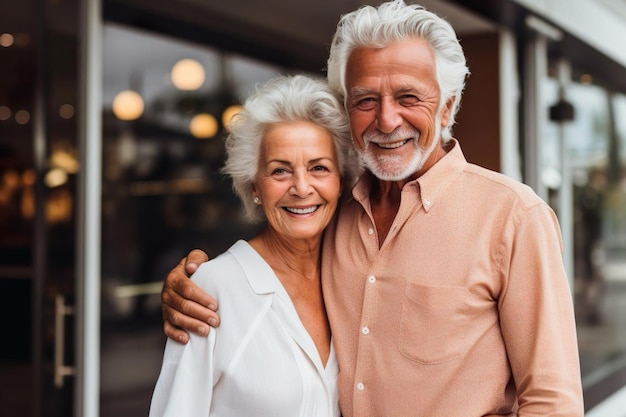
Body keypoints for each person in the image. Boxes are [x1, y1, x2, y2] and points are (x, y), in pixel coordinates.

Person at [160, 1, 585, 416]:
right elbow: (270, 266)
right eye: (365, 100)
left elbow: (552, 401)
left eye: (408, 97)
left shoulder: (513, 218)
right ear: (347, 110)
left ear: (448, 106)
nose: (385, 120)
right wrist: (196, 281)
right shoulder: (333, 212)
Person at [149, 74, 360, 417]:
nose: (302, 187)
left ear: (342, 181)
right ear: (254, 187)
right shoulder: (211, 288)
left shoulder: (355, 280)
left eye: (319, 168)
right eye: (280, 171)